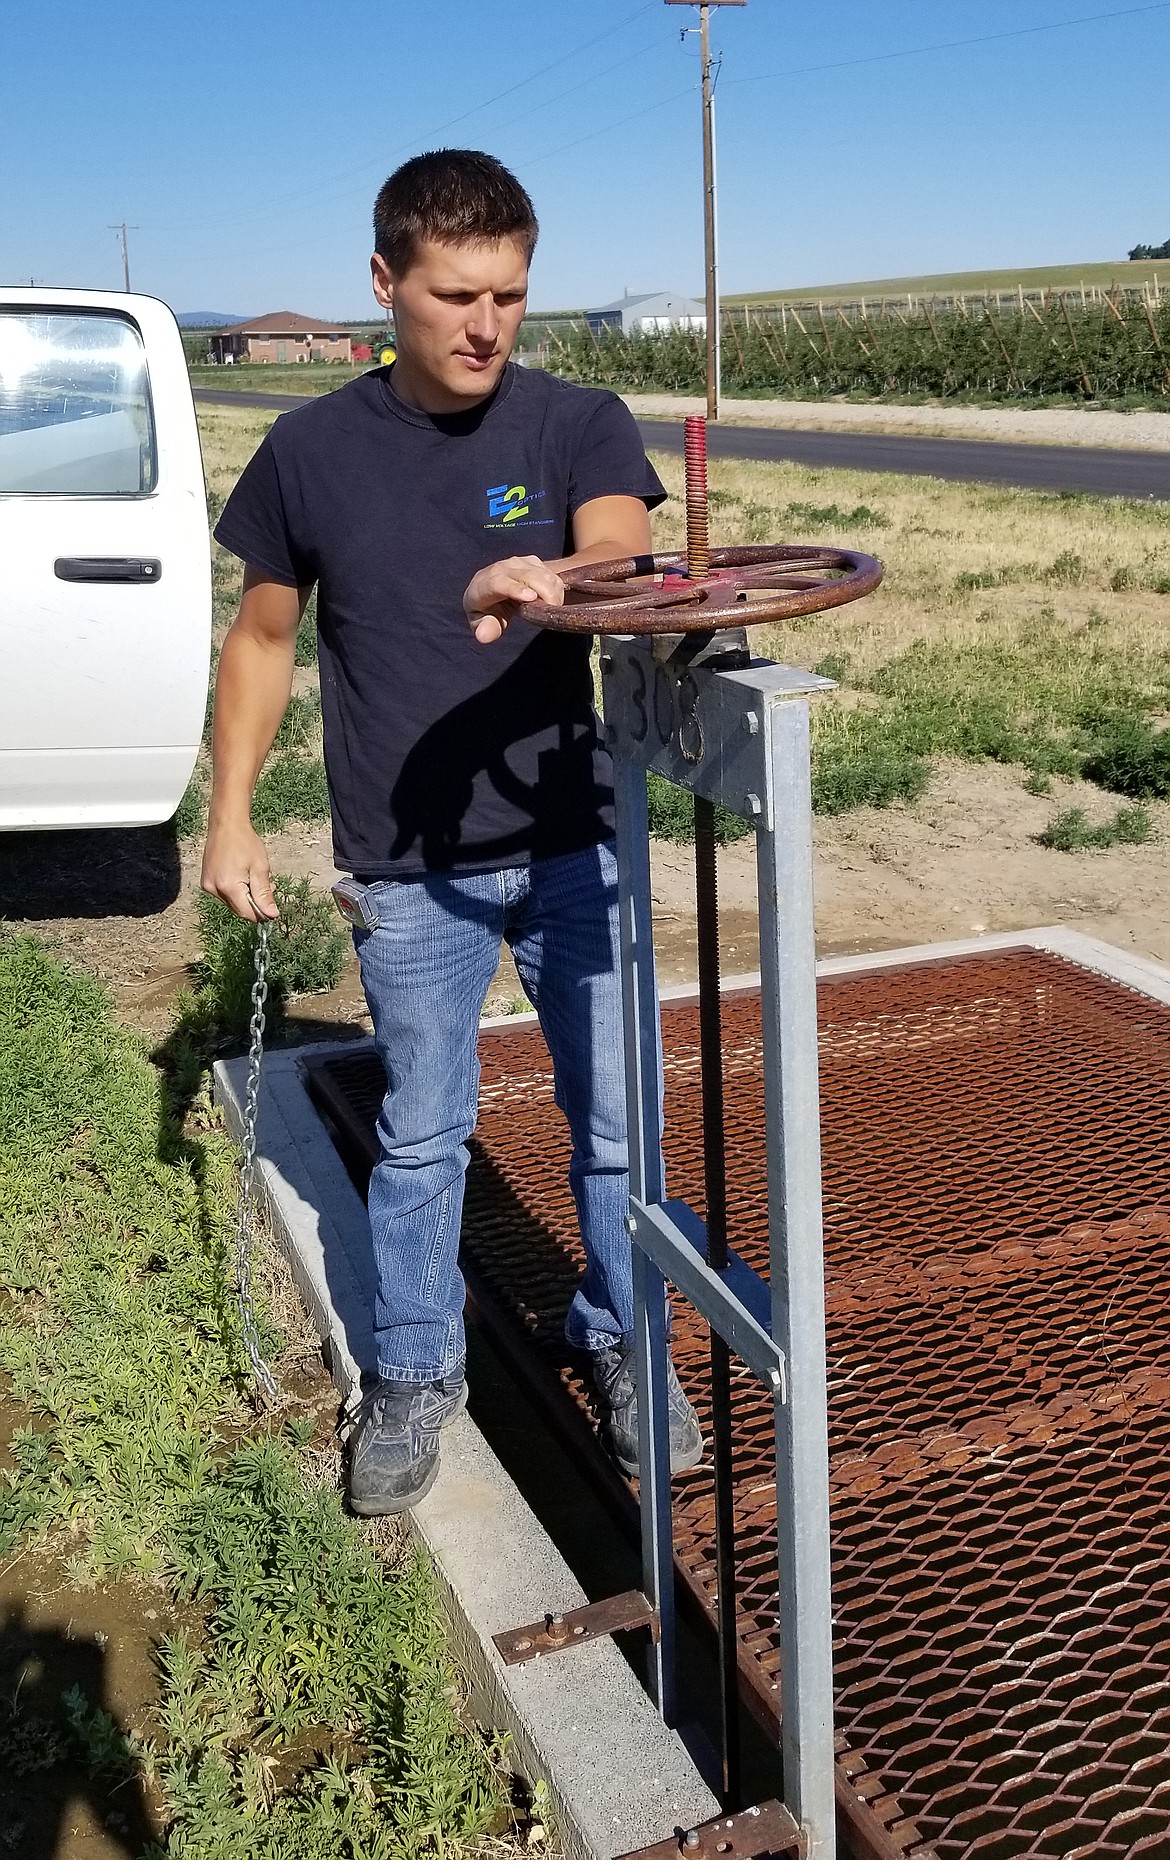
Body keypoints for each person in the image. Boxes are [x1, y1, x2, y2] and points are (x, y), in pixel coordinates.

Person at [202, 148, 702, 1514]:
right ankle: (419, 1372)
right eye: (454, 295)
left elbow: (619, 549)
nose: (486, 326)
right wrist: (232, 817)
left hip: (567, 843)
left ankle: (622, 1341)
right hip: (407, 865)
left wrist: (547, 580)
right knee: (424, 1136)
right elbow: (257, 642)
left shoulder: (573, 420)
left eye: (511, 295)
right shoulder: (309, 453)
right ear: (385, 283)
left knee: (617, 1128)